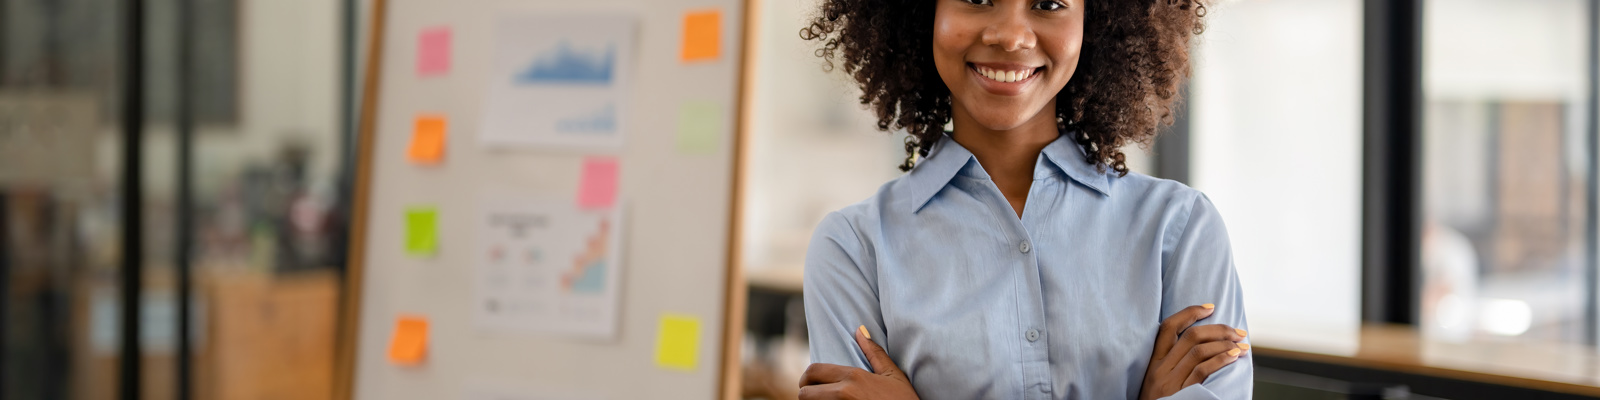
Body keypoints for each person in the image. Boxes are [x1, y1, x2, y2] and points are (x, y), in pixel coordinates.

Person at [795, 0, 1250, 399]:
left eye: (1049, 3)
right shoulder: (854, 249)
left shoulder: (1181, 228)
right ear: (922, 13)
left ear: (1095, 21)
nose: (1010, 36)